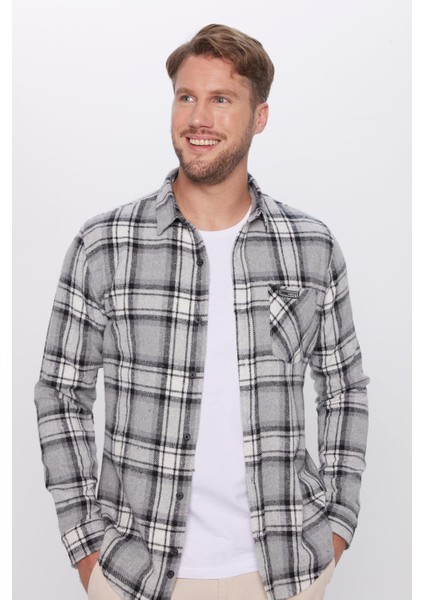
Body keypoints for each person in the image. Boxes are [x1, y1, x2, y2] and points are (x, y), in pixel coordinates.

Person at [34, 24, 369, 600]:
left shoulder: (310, 246)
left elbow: (344, 389)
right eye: (186, 96)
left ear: (259, 117)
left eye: (221, 99)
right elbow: (60, 394)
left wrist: (335, 527)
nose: (198, 118)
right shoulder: (105, 245)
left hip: (285, 570)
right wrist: (87, 549)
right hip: (136, 572)